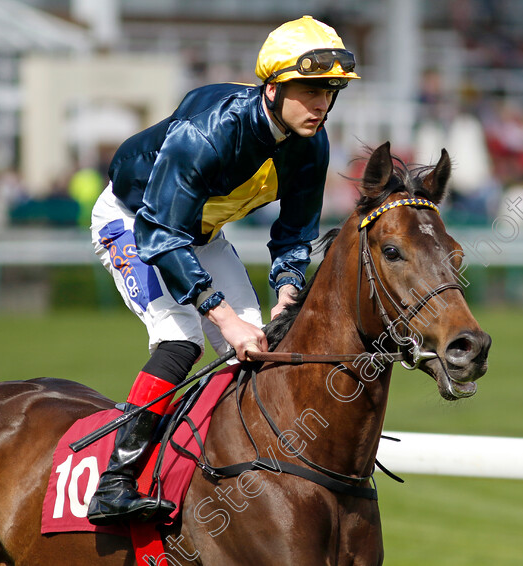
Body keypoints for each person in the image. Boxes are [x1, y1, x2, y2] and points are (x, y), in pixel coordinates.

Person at [86, 15, 359, 526]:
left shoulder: (310, 145)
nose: (322, 103)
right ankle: (115, 482)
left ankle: (228, 470)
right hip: (136, 222)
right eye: (310, 90)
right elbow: (161, 235)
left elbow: (296, 232)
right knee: (182, 337)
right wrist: (222, 315)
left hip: (201, 233)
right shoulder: (208, 132)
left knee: (258, 345)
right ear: (273, 89)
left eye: (331, 91)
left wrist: (288, 287)